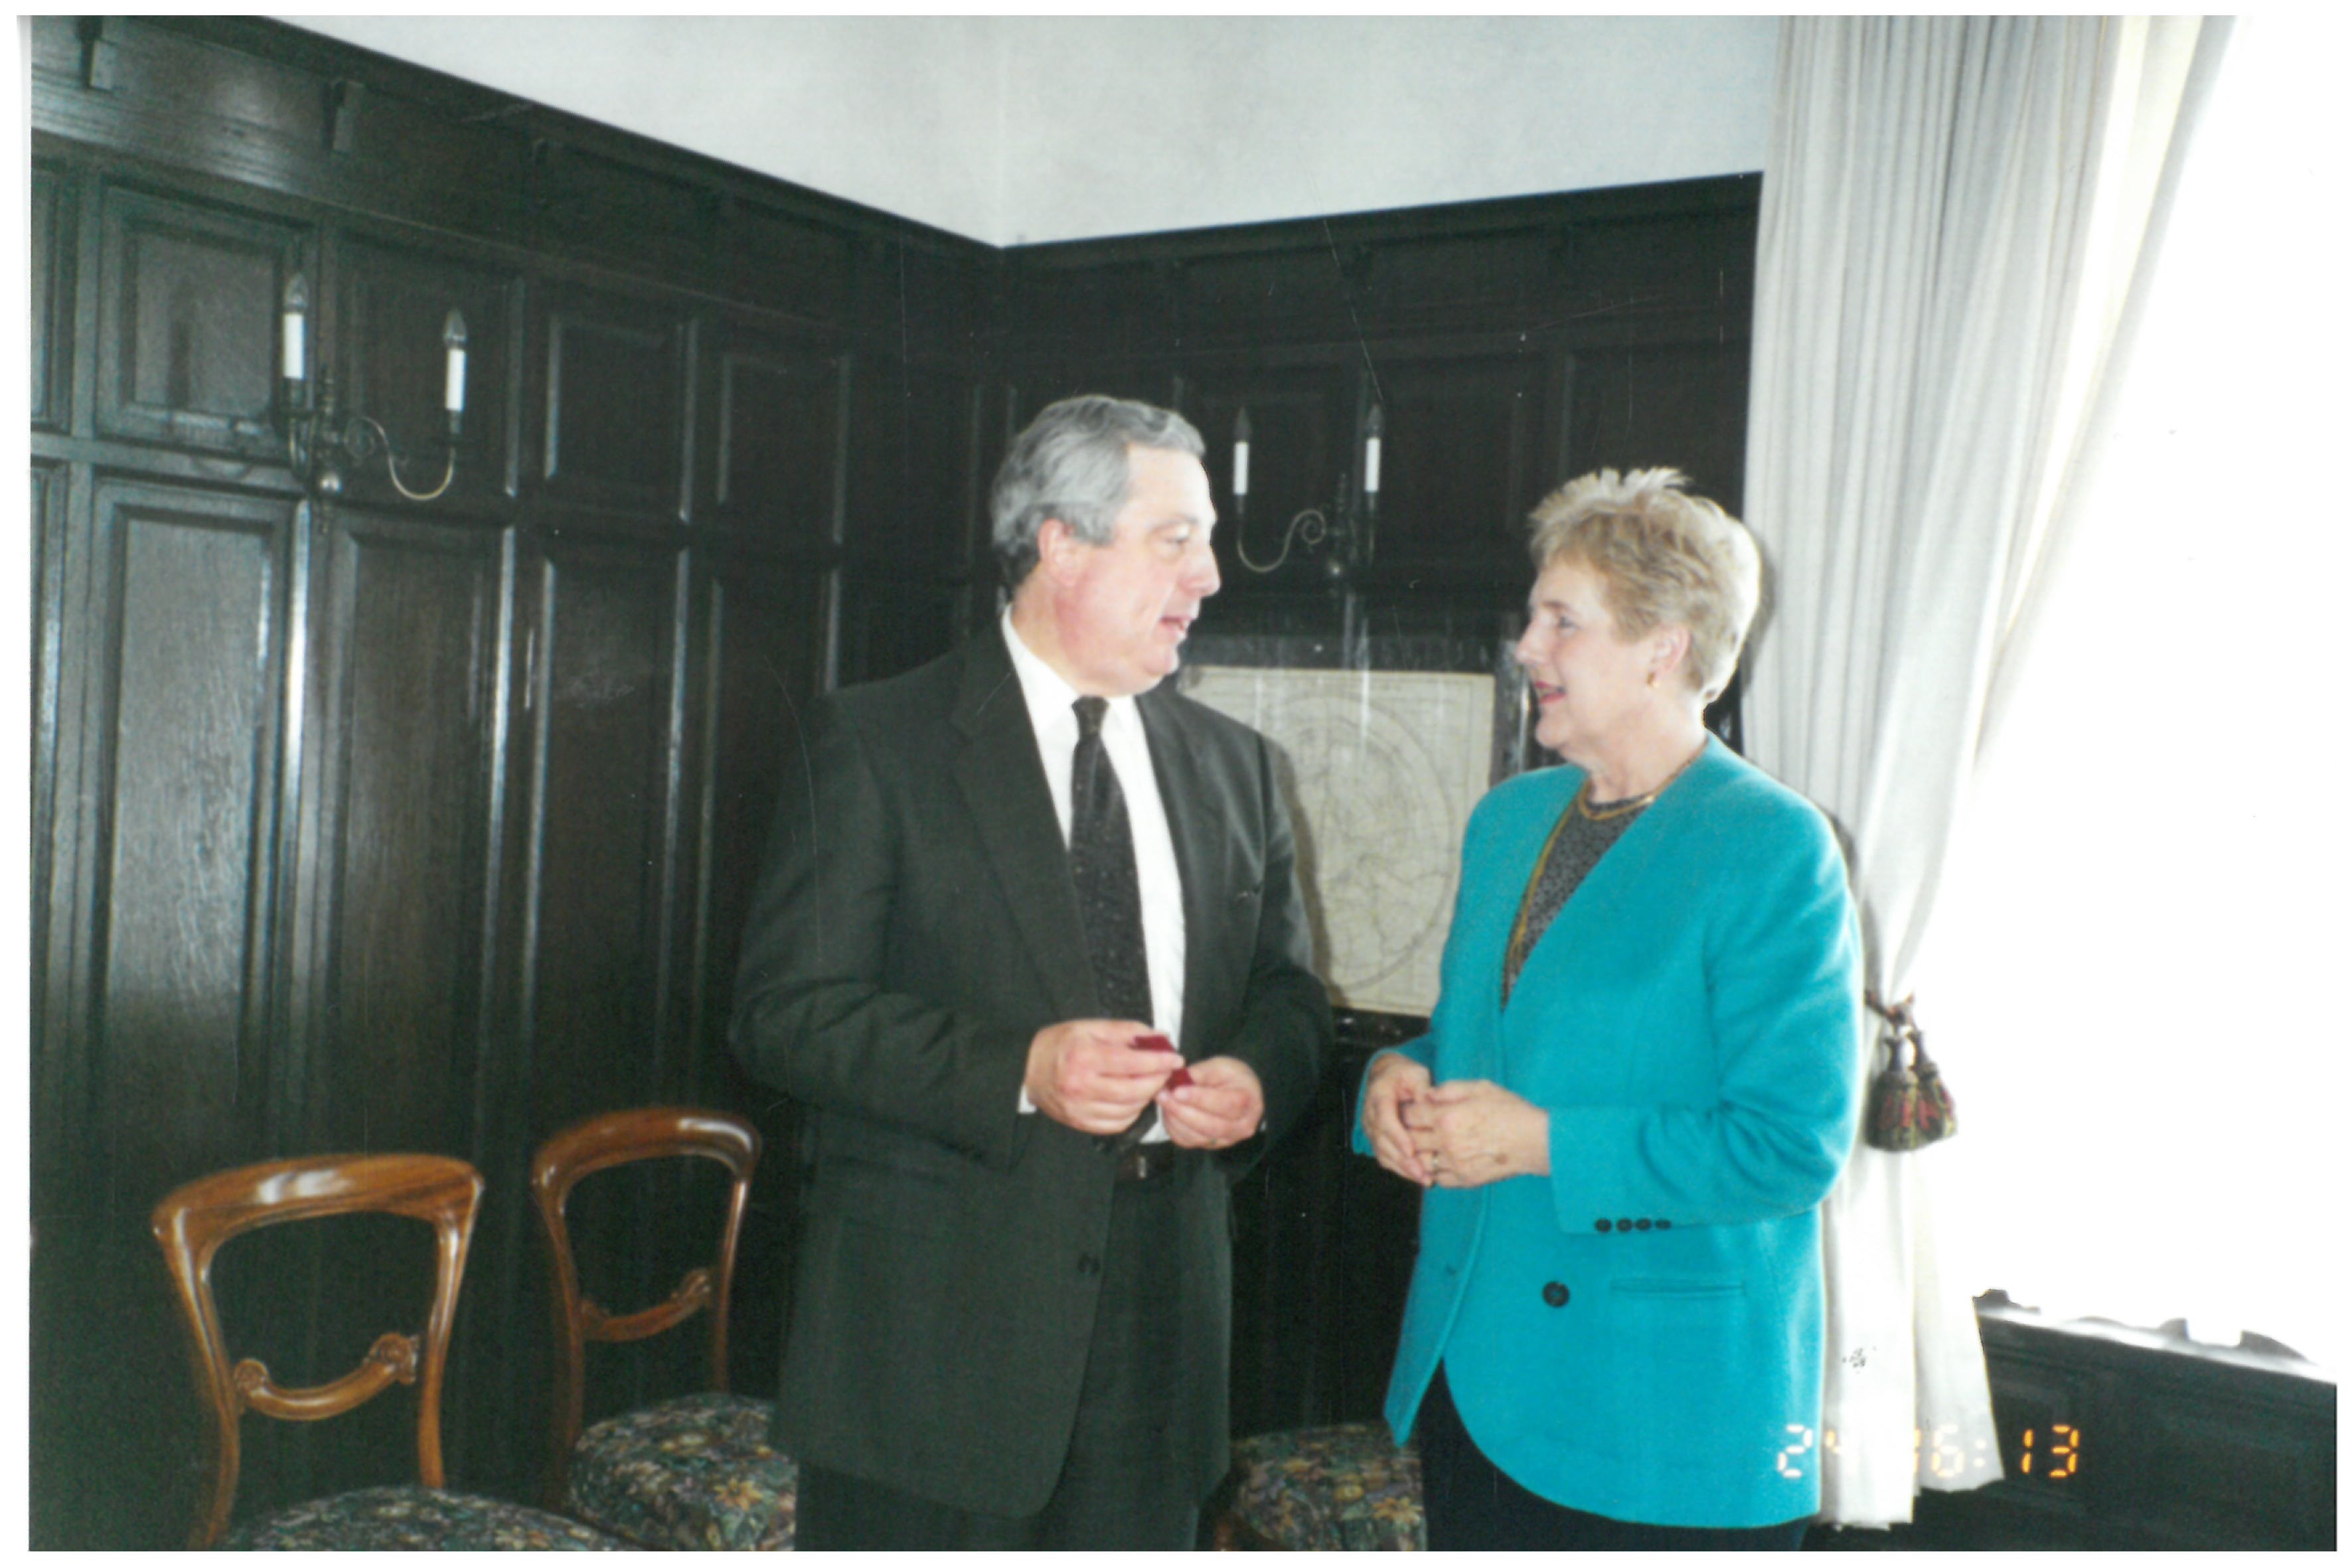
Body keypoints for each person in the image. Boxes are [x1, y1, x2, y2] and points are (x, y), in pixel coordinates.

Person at [730, 394, 1332, 1550]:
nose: (1208, 576)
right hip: (934, 1345)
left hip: (1165, 1337)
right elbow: (784, 1014)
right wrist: (1021, 1067)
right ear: (1062, 541)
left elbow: (1292, 995)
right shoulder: (876, 740)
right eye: (1177, 538)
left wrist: (1258, 1074)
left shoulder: (1242, 769)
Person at [1356, 468, 1863, 1549]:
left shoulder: (1772, 846)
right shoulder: (1511, 820)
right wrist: (1393, 1078)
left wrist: (1541, 1142)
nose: (1528, 647)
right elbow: (1482, 1040)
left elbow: (1790, 1146)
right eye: (1535, 616)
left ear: (1662, 647)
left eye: (1561, 621)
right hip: (1475, 1375)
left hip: (1657, 1420)